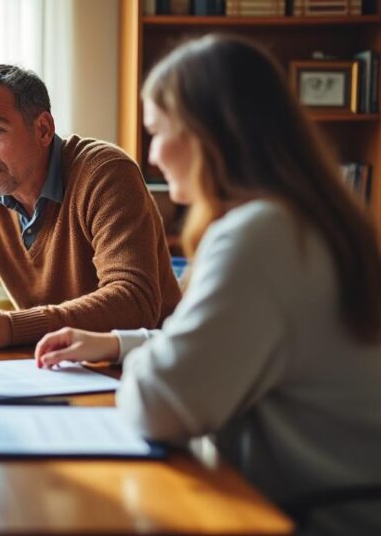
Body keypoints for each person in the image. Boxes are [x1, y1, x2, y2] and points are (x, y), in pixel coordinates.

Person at [35, 35, 381, 534]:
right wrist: (117, 343)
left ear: (207, 134)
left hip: (313, 515)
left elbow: (159, 407)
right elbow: (241, 341)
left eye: (157, 131)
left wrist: (143, 358)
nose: (152, 156)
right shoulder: (307, 221)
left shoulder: (259, 236)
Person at [0, 64, 181, 348]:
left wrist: (11, 325)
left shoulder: (105, 173)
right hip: (52, 363)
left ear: (43, 129)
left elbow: (133, 302)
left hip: (142, 365)